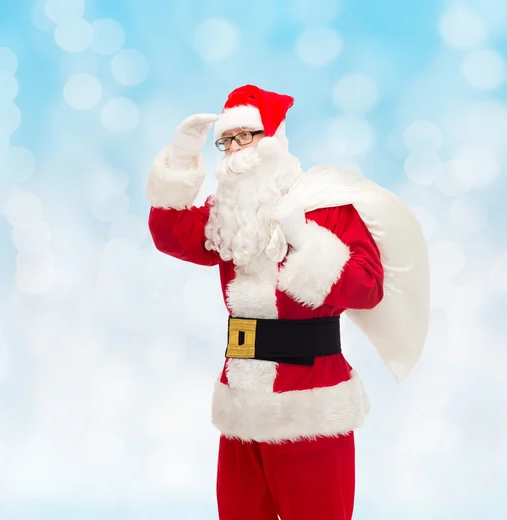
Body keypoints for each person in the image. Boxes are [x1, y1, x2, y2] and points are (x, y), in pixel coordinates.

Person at [145, 85, 430, 520]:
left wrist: (305, 240)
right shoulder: (226, 216)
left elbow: (368, 288)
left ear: (275, 138)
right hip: (240, 403)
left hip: (311, 406)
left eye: (248, 137)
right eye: (227, 140)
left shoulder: (327, 208)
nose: (236, 151)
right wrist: (181, 159)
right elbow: (170, 234)